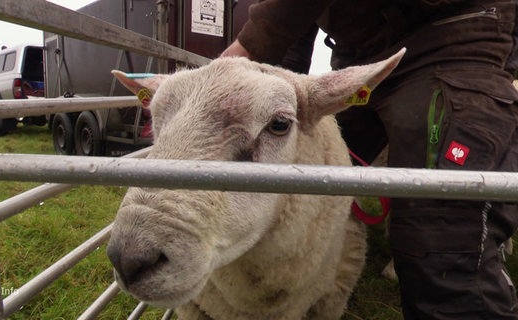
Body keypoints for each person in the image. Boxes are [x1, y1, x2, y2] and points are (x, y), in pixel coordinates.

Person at [221, 1, 518, 319]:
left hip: (452, 41)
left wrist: (248, 47)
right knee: (307, 170)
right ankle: (292, 286)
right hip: (361, 59)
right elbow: (294, 36)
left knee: (440, 224)